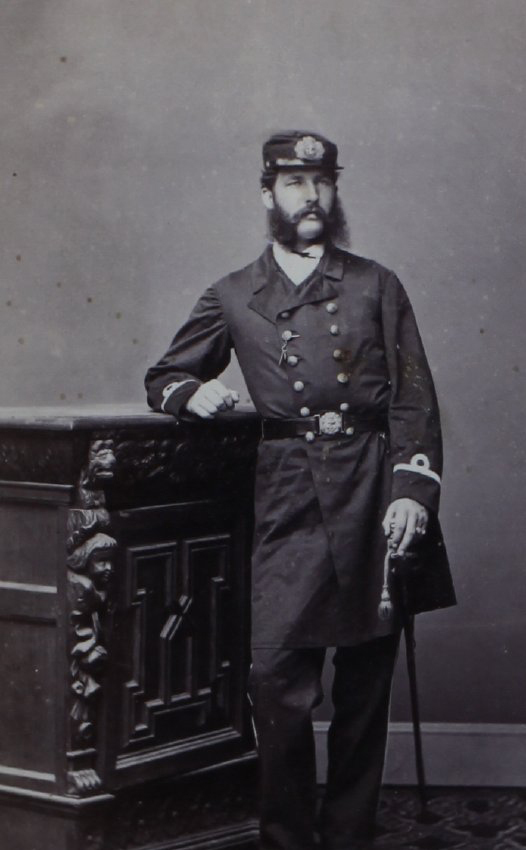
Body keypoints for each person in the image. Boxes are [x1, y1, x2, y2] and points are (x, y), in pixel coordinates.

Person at [144, 131, 455, 850]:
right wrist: (191, 394)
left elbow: (415, 401)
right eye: (292, 182)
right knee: (276, 680)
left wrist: (414, 490)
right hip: (286, 499)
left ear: (334, 190)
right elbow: (163, 376)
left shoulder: (377, 284)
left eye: (320, 181)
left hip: (374, 490)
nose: (309, 196)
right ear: (267, 194)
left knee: (364, 684)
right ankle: (287, 839)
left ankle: (348, 835)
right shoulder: (233, 295)